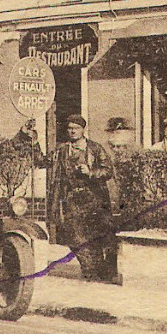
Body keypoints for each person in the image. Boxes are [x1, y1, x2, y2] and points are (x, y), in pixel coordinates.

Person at [46, 114, 120, 284]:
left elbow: (108, 170)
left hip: (93, 198)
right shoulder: (61, 150)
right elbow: (43, 160)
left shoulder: (95, 148)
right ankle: (89, 270)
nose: (72, 131)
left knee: (97, 234)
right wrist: (31, 139)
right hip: (71, 198)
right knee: (75, 237)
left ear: (83, 130)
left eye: (76, 128)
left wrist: (91, 172)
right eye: (70, 128)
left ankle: (102, 271)